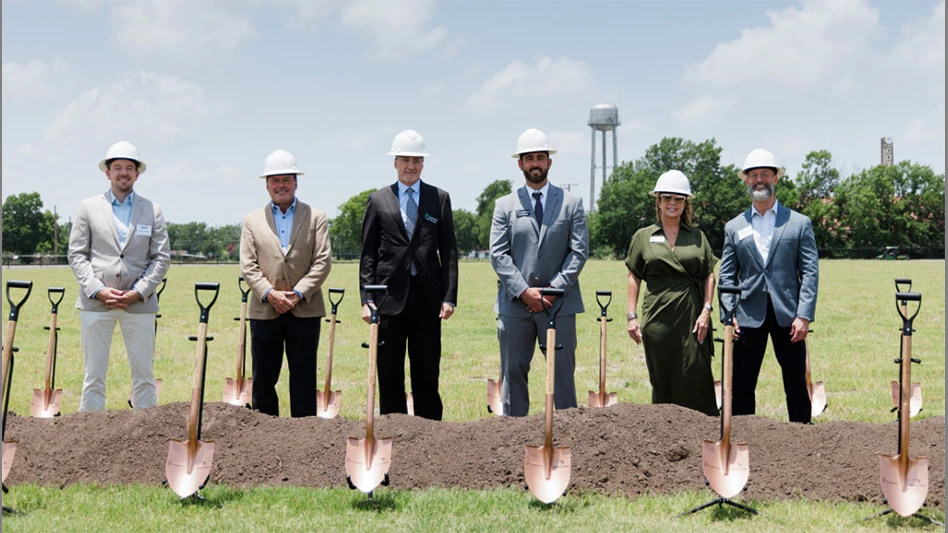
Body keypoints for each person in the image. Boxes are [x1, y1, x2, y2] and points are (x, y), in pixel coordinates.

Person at [359, 130, 459, 421]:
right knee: (389, 372)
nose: (411, 166)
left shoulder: (438, 198)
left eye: (416, 160)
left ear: (423, 163)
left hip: (428, 299)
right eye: (405, 160)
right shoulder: (378, 200)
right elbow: (368, 254)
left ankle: (429, 433)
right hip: (388, 299)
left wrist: (449, 297)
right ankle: (393, 430)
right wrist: (367, 299)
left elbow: (449, 251)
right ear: (395, 162)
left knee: (427, 370)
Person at [489, 128, 589, 416]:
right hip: (515, 306)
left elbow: (579, 251)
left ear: (549, 162)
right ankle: (515, 436)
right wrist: (524, 291)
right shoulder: (504, 206)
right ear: (520, 164)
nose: (535, 163)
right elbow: (498, 253)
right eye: (529, 158)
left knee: (562, 377)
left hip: (560, 305)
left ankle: (566, 436)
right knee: (514, 374)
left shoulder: (572, 204)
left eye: (540, 158)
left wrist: (552, 291)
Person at [68, 141, 171, 411]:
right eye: (117, 168)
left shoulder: (153, 210)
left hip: (138, 304)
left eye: (129, 168)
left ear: (138, 174)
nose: (123, 173)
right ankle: (89, 433)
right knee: (93, 376)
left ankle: (147, 433)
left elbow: (161, 257)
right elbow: (77, 254)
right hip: (96, 303)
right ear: (107, 173)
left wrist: (139, 291)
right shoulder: (88, 207)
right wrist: (98, 290)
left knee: (144, 375)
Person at [719, 148, 819, 423]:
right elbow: (727, 276)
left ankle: (801, 435)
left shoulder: (799, 223)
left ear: (776, 178)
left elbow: (810, 271)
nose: (759, 179)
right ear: (746, 181)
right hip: (747, 316)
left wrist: (804, 314)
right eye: (753, 175)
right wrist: (729, 315)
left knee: (796, 383)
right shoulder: (733, 227)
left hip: (789, 317)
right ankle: (743, 437)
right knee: (741, 384)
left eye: (765, 174)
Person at [240, 149, 332, 417]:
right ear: (267, 185)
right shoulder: (252, 221)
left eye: (286, 180)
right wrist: (269, 294)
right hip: (265, 310)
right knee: (264, 378)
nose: (281, 186)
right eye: (275, 181)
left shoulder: (316, 217)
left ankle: (302, 437)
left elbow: (322, 261)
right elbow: (248, 265)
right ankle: (265, 433)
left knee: (303, 377)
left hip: (305, 310)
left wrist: (297, 294)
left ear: (296, 182)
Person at [625, 170, 718, 416]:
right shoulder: (643, 236)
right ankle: (665, 430)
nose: (672, 203)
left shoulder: (697, 236)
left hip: (692, 316)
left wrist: (707, 310)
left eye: (679, 199)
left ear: (685, 202)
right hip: (657, 316)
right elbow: (634, 276)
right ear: (658, 201)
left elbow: (709, 274)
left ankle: (703, 426)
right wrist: (631, 316)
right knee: (663, 375)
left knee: (695, 372)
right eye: (667, 198)